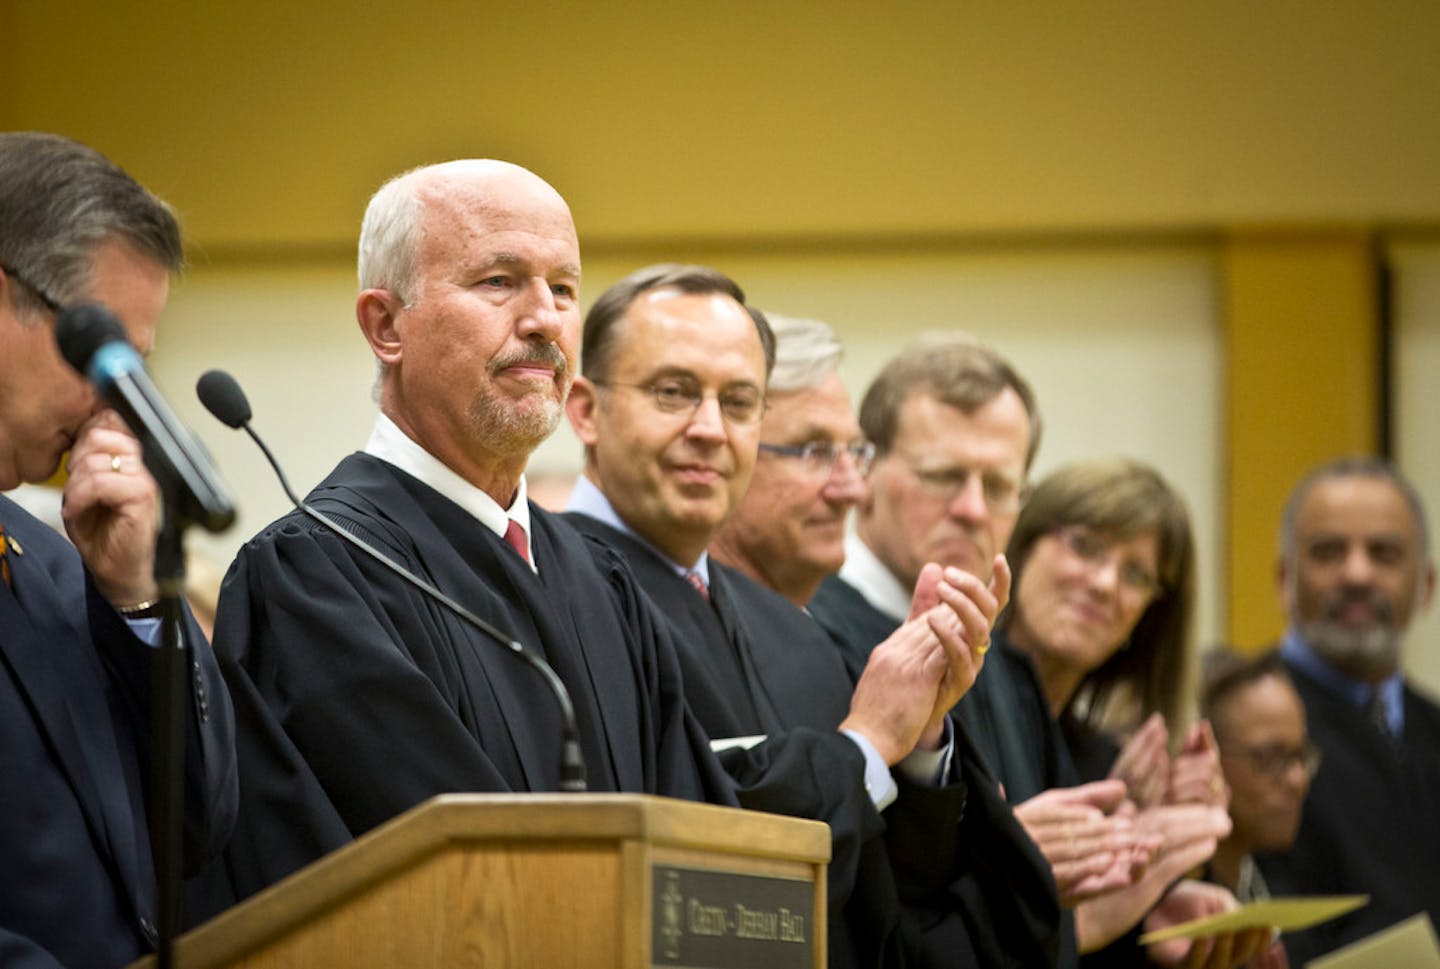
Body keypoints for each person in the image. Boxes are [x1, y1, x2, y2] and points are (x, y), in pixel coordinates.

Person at [195, 161, 735, 913]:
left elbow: (698, 850)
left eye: (565, 288)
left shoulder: (602, 581)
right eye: (499, 282)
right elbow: (419, 885)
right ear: (386, 326)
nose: (545, 318)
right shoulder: (315, 577)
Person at [566, 291, 1057, 966]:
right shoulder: (554, 591)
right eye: (812, 451)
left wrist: (917, 746)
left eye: (738, 404)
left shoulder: (791, 628)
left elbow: (888, 902)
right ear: (588, 411)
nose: (852, 488)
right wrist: (865, 743)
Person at [808, 341, 1257, 968]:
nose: (971, 509)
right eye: (942, 476)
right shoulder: (809, 631)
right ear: (865, 473)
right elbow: (846, 903)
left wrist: (1141, 908)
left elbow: (1062, 923)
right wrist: (1011, 859)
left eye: (999, 485)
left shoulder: (1012, 675)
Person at [0, 132, 237, 968]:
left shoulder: (58, 559)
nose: (118, 403)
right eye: (99, 355)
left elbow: (200, 828)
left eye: (135, 366)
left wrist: (136, 595)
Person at [1258, 457, 1440, 962]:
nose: (1357, 573)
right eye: (1328, 552)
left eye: (1384, 553)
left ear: (1426, 584)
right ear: (1283, 579)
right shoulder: (1234, 730)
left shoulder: (1433, 730)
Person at [1201, 649, 1316, 904]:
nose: (1298, 780)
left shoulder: (1284, 884)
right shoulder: (1165, 914)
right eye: (1271, 759)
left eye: (1301, 756)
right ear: (1206, 757)